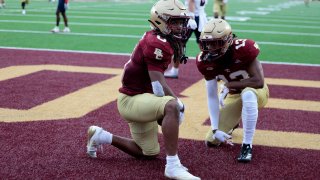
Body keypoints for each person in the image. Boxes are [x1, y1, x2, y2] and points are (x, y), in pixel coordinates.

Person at [86, 0, 200, 179]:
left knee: (148, 152)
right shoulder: (157, 43)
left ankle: (101, 136)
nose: (180, 27)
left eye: (181, 22)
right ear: (160, 21)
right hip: (131, 100)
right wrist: (177, 105)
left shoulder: (161, 38)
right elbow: (158, 87)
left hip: (141, 98)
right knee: (171, 106)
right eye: (175, 22)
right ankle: (173, 165)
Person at [196, 19, 269, 162]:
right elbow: (211, 96)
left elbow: (258, 82)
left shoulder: (243, 49)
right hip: (234, 96)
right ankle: (233, 123)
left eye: (215, 43)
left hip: (257, 92)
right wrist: (216, 129)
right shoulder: (204, 61)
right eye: (207, 43)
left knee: (248, 94)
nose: (210, 48)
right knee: (211, 140)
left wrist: (229, 85)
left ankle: (247, 145)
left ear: (228, 40)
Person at [164, 0, 207, 78]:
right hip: (202, 18)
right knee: (203, 45)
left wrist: (191, 17)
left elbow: (191, 1)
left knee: (179, 44)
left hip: (191, 17)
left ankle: (174, 70)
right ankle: (213, 67)